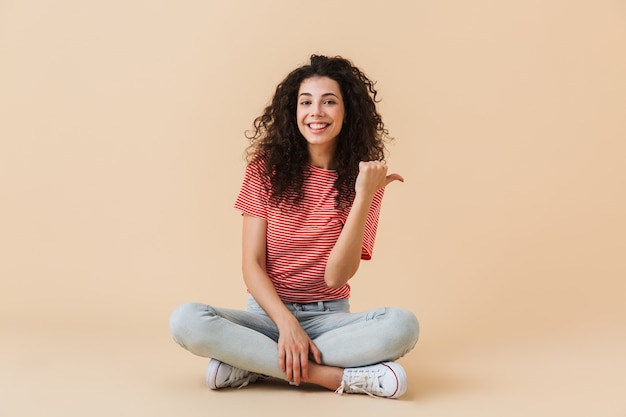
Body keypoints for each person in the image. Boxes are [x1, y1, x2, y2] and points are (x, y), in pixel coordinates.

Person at [169, 54, 419, 399]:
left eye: (329, 102)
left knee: (402, 327)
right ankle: (332, 377)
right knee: (186, 320)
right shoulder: (264, 170)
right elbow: (251, 264)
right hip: (265, 317)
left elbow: (336, 278)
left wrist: (363, 197)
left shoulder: (364, 183)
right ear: (294, 112)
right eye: (306, 102)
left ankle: (251, 362)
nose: (316, 112)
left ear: (348, 112)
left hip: (328, 321)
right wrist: (286, 325)